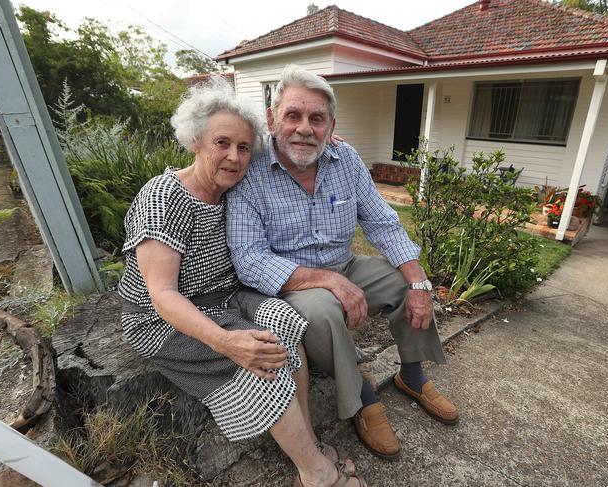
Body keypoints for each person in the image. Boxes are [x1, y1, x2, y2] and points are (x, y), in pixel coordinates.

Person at [117, 77, 367, 487]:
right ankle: (317, 473)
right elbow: (161, 295)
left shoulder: (228, 192)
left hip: (226, 299)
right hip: (164, 319)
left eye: (244, 147)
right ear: (195, 141)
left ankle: (305, 441)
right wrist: (226, 341)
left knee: (287, 322)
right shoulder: (165, 197)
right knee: (259, 361)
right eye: (222, 143)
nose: (234, 157)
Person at [227, 65, 458, 461]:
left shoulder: (345, 159)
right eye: (293, 115)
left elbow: (382, 222)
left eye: (317, 118)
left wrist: (419, 283)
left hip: (344, 264)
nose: (304, 128)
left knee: (404, 285)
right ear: (271, 119)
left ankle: (412, 375)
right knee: (324, 313)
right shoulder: (252, 170)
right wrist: (329, 282)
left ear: (331, 125)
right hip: (293, 282)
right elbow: (249, 260)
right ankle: (363, 400)